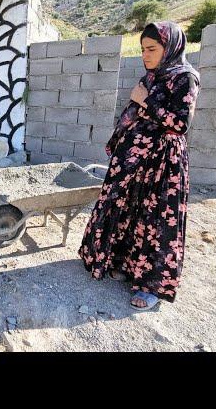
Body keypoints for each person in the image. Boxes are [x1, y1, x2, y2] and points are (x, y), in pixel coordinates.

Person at [78, 21, 200, 311]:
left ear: (170, 47)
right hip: (135, 159)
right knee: (128, 209)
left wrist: (146, 102)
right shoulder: (153, 76)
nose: (145, 55)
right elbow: (134, 113)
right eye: (143, 49)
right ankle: (124, 265)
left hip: (162, 162)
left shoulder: (185, 78)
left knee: (156, 219)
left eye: (152, 49)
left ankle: (151, 286)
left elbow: (180, 124)